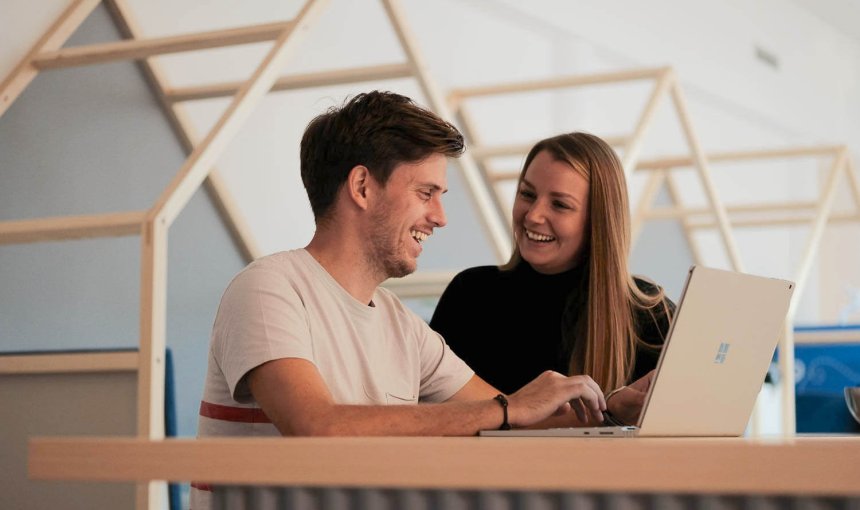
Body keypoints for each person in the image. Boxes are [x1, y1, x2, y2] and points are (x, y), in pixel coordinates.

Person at [192, 93, 608, 507]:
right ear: (362, 187)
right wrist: (506, 408)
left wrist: (617, 408)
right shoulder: (268, 289)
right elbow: (318, 428)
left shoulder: (403, 327)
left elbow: (515, 421)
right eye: (426, 193)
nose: (441, 217)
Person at [430, 132, 675, 428]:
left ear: (598, 221)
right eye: (527, 194)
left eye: (559, 204)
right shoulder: (471, 294)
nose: (533, 216)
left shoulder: (650, 313)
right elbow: (433, 417)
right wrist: (609, 412)